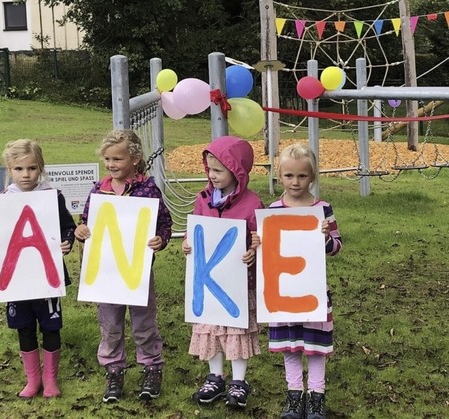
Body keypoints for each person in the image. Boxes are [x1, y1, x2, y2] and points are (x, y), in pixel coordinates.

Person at [74, 129, 173, 403]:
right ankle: (113, 369)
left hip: (136, 273)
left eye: (117, 158)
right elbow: (86, 220)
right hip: (106, 273)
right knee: (110, 324)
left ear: (135, 158)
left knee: (143, 322)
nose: (111, 164)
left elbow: (164, 223)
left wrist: (160, 240)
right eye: (107, 159)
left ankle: (152, 367)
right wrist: (81, 230)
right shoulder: (99, 189)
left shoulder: (148, 189)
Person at [0, 139, 76, 399]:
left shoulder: (52, 196)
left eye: (32, 168)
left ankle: (51, 379)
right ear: (9, 170)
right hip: (17, 281)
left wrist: (67, 242)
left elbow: (67, 226)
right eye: (19, 169)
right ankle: (33, 379)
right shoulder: (3, 201)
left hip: (46, 279)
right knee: (24, 327)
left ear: (41, 168)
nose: (26, 175)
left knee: (50, 326)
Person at [181, 135, 264, 409]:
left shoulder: (252, 204)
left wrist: (254, 250)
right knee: (209, 329)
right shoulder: (203, 199)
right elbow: (196, 233)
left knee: (237, 331)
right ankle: (215, 376)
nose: (212, 175)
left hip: (238, 284)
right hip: (207, 284)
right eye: (209, 170)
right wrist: (188, 245)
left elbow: (260, 238)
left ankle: (239, 381)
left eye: (218, 170)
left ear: (236, 171)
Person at [266, 143, 342, 419]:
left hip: (314, 292)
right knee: (290, 345)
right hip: (283, 292)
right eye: (288, 176)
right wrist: (259, 243)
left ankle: (317, 397)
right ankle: (294, 395)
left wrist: (324, 238)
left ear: (312, 177)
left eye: (301, 176)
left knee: (315, 346)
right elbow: (269, 253)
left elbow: (337, 246)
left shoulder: (322, 209)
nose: (295, 182)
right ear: (279, 176)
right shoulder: (273, 210)